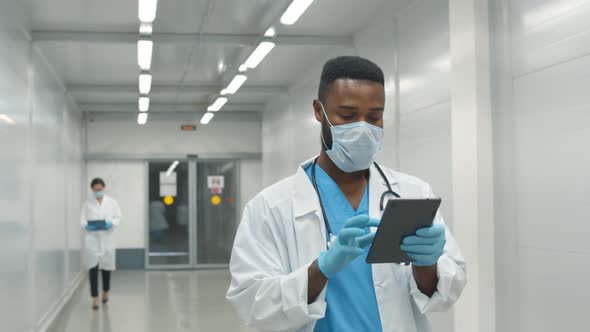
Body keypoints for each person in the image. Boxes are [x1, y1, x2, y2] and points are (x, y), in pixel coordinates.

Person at [226, 56, 466, 332]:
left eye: (374, 116)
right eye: (348, 116)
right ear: (319, 111)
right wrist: (321, 269)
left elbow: (447, 292)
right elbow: (251, 304)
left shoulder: (412, 193)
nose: (363, 128)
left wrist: (426, 264)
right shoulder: (270, 207)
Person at [80, 178, 122, 310]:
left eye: (100, 189)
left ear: (104, 188)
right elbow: (82, 220)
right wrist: (87, 226)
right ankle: (95, 298)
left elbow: (119, 217)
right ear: (92, 189)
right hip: (92, 240)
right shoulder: (87, 204)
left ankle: (105, 291)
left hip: (107, 238)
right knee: (92, 269)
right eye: (95, 190)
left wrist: (112, 223)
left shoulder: (112, 202)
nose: (98, 191)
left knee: (106, 269)